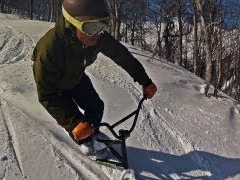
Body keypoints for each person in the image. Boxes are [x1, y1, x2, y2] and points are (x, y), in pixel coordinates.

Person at [32, 0, 157, 149]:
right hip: (56, 88)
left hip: (76, 77)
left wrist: (145, 81)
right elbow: (47, 94)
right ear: (72, 24)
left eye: (102, 25)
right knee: (77, 122)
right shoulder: (50, 49)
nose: (97, 34)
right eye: (90, 27)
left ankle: (92, 133)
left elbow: (122, 56)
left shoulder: (97, 37)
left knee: (96, 107)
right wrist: (73, 122)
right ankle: (84, 141)